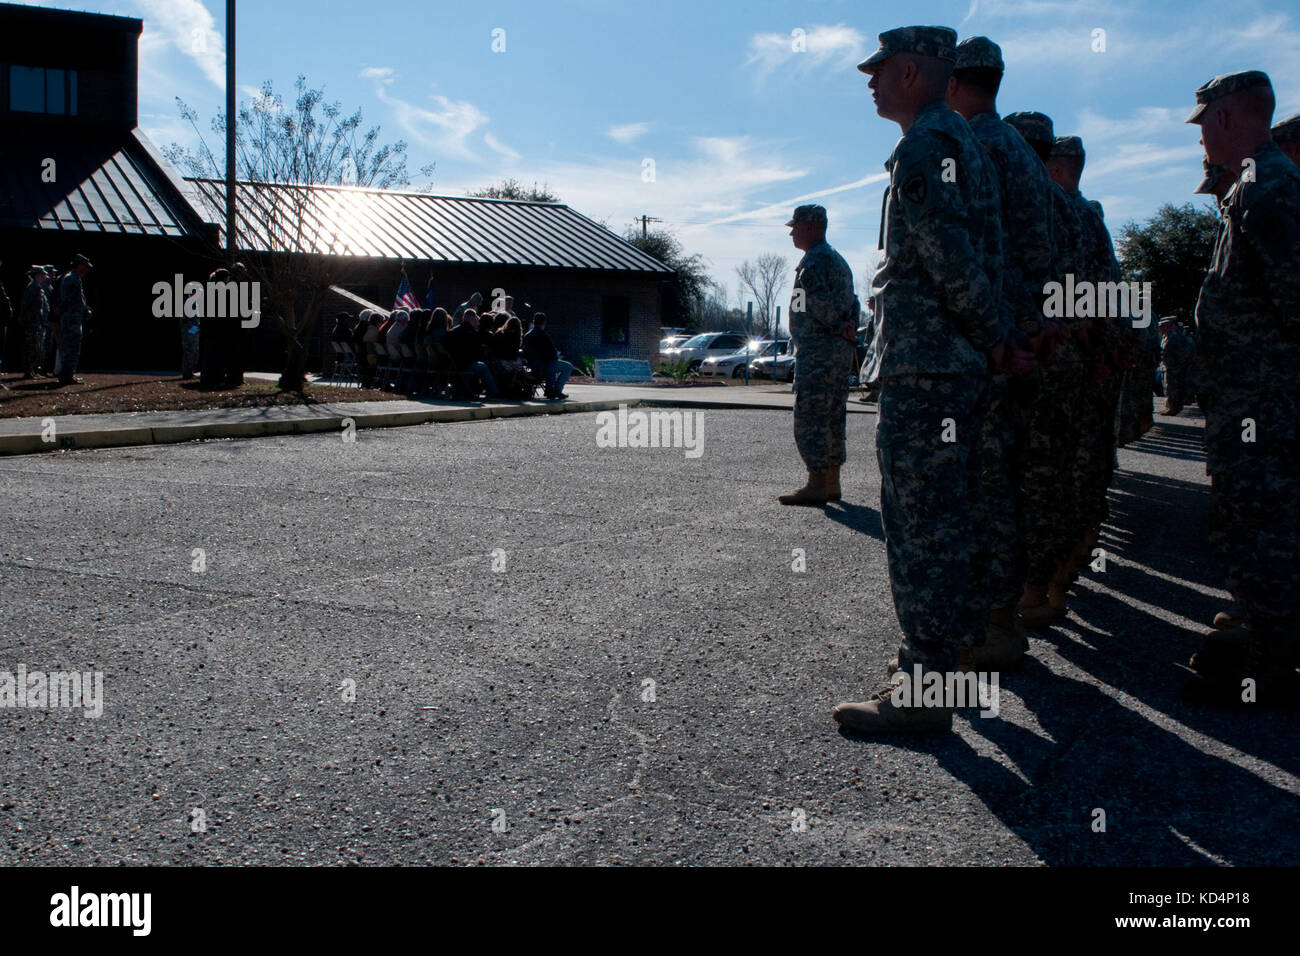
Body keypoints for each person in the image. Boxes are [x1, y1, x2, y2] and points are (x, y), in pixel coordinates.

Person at [833, 25, 1017, 734]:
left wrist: (994, 335)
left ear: (911, 71)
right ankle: (950, 668)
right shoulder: (959, 140)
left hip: (930, 365)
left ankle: (927, 687)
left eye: (879, 71)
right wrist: (994, 340)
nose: (871, 82)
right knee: (952, 517)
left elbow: (948, 259)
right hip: (953, 364)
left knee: (922, 527)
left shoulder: (926, 146)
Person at [1182, 70, 1300, 707]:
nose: (1200, 136)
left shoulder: (1267, 186)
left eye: (1203, 122)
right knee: (1259, 523)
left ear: (1225, 118)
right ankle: (1268, 636)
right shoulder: (1257, 184)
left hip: (1265, 400)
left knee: (1261, 526)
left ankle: (1268, 668)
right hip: (1256, 396)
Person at [946, 35, 1052, 665]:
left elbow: (967, 256)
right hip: (1016, 340)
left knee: (982, 491)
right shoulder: (1016, 148)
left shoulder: (980, 144)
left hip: (992, 349)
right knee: (1001, 485)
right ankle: (999, 621)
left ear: (955, 81)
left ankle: (989, 628)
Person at [1004, 110, 1090, 627]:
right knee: (1053, 476)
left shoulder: (1020, 197)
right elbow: (1096, 289)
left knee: (1019, 481)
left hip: (1028, 354)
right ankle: (1049, 588)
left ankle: (1023, 599)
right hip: (1064, 355)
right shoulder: (1074, 209)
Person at [1047, 134, 1127, 602]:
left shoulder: (1070, 214)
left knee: (1059, 468)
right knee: (1075, 464)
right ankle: (1063, 563)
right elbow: (1112, 290)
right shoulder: (1088, 217)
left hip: (1062, 358)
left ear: (1057, 170)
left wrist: (1096, 343)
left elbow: (1100, 292)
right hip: (1080, 355)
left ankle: (1050, 578)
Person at [777, 204, 858, 507]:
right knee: (833, 415)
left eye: (795, 227)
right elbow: (853, 301)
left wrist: (838, 325)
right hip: (837, 354)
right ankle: (832, 482)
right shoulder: (837, 260)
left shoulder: (813, 262)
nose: (792, 233)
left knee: (811, 417)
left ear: (810, 226)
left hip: (819, 353)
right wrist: (849, 326)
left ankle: (816, 483)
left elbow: (817, 304)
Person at [56, 253, 92, 387]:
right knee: (70, 347)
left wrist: (85, 309)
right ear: (79, 265)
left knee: (72, 347)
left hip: (74, 317)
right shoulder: (71, 279)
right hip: (71, 318)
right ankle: (66, 375)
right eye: (85, 266)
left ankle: (68, 374)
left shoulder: (75, 278)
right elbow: (68, 299)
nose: (86, 270)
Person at [444, 309, 498, 399]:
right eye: (476, 319)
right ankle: (493, 393)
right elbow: (477, 352)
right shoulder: (471, 333)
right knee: (483, 366)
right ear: (472, 319)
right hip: (465, 364)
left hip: (452, 364)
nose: (477, 322)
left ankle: (472, 390)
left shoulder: (452, 332)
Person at [522, 313, 571, 400]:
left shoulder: (527, 336)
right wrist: (556, 356)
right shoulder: (543, 335)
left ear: (534, 321)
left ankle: (550, 390)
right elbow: (551, 353)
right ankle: (557, 390)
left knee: (551, 365)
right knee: (568, 366)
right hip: (542, 367)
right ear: (544, 322)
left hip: (530, 367)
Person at [20, 266, 49, 379]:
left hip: (36, 321)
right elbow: (25, 304)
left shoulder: (37, 287)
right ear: (37, 275)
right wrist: (25, 318)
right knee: (31, 346)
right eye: (42, 274)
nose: (44, 276)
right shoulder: (33, 287)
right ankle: (29, 371)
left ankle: (32, 370)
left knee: (36, 347)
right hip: (32, 322)